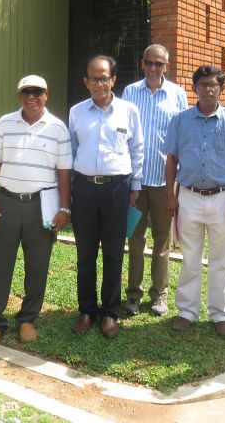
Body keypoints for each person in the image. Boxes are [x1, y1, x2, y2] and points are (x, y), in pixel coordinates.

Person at [0, 75, 72, 349]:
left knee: (37, 265)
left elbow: (64, 173)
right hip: (5, 204)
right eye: (26, 92)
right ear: (19, 96)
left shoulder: (58, 128)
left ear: (46, 95)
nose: (31, 97)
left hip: (41, 206)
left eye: (37, 92)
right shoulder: (4, 123)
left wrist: (64, 208)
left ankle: (28, 319)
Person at [164, 65, 225, 335]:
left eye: (213, 85)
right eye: (203, 85)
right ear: (195, 88)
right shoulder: (180, 120)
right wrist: (170, 194)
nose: (208, 89)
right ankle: (187, 311)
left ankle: (221, 313)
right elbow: (171, 158)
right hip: (189, 196)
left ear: (221, 88)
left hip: (222, 198)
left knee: (221, 259)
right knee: (190, 257)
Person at [69, 55, 144, 338]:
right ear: (85, 81)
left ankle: (110, 312)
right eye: (93, 78)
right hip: (85, 188)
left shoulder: (128, 111)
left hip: (117, 189)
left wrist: (135, 186)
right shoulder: (76, 112)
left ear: (113, 80)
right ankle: (87, 310)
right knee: (85, 252)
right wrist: (73, 187)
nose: (99, 83)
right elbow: (71, 149)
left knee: (113, 252)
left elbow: (137, 149)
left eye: (104, 78)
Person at [121, 44, 187, 317]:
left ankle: (159, 294)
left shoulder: (177, 95)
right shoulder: (129, 92)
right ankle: (133, 294)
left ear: (166, 67)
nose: (152, 68)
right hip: (134, 182)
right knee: (135, 238)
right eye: (148, 62)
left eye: (158, 64)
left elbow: (182, 135)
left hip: (163, 182)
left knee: (162, 239)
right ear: (142, 63)